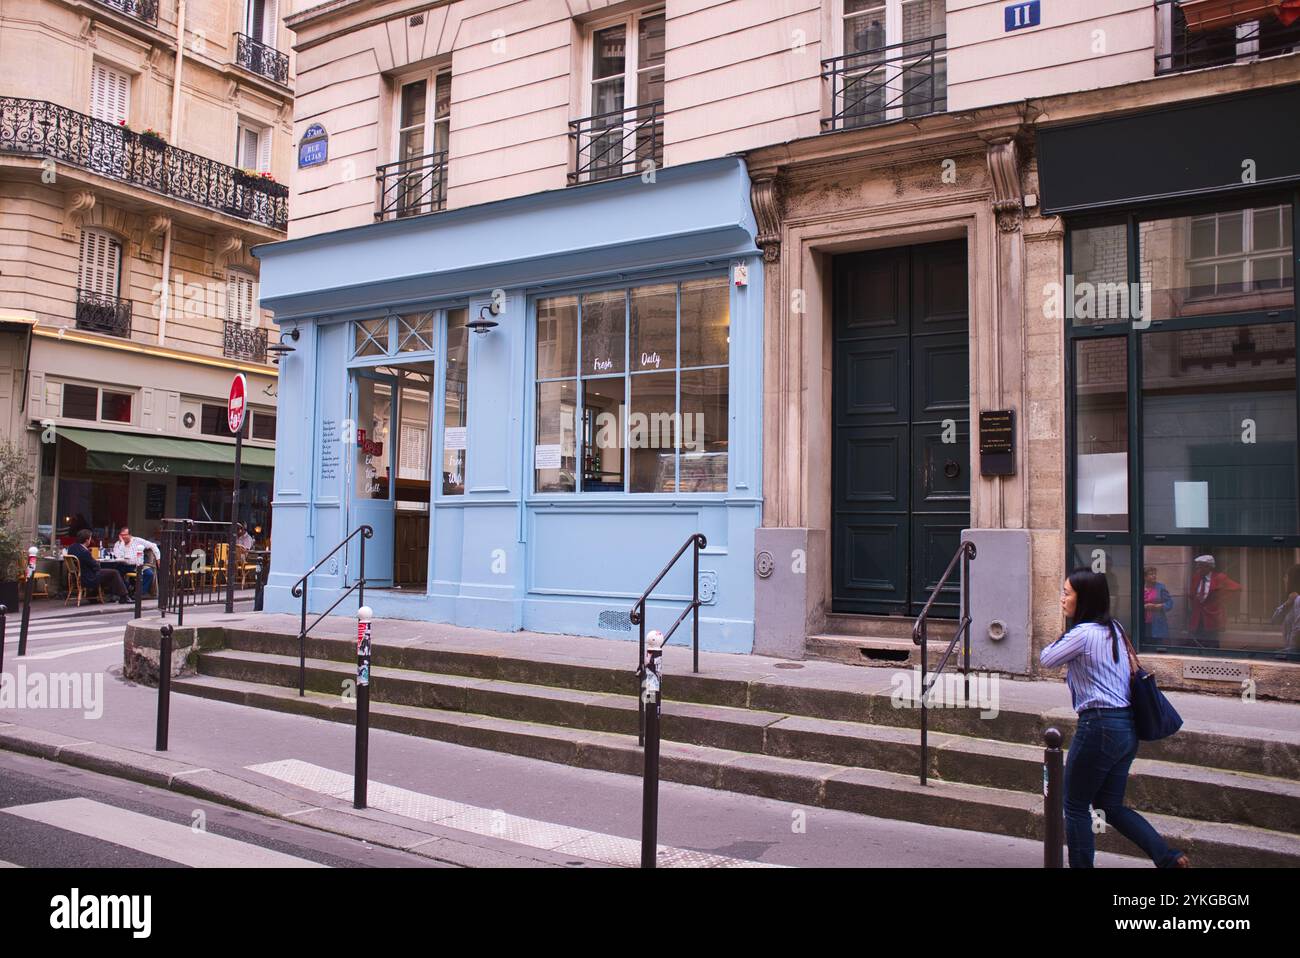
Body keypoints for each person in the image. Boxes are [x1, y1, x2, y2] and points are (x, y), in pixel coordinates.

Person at [1041, 568, 1189, 869]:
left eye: (1067, 593)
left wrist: (1067, 631)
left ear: (1084, 599)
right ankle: (1168, 857)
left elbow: (1046, 658)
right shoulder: (1115, 629)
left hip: (1098, 726)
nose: (1062, 599)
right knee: (1110, 805)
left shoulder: (1082, 634)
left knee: (1075, 804)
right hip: (1126, 729)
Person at [1186, 555, 1241, 650]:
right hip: (1197, 617)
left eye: (1200, 566)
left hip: (1212, 616)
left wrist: (1221, 601)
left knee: (1212, 642)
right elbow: (1191, 594)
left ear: (1208, 567)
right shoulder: (1196, 577)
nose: (1198, 568)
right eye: (1198, 566)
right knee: (1197, 642)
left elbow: (1236, 588)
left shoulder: (1219, 577)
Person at [68, 529, 130, 603]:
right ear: (87, 540)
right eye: (90, 538)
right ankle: (124, 596)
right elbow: (95, 566)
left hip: (76, 576)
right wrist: (97, 565)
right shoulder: (85, 552)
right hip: (88, 578)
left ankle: (92, 595)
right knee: (114, 572)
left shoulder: (72, 547)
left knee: (106, 573)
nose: (91, 540)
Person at [108, 526, 160, 597]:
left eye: (125, 535)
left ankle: (139, 593)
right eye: (121, 535)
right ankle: (126, 591)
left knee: (149, 574)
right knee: (115, 573)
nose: (123, 537)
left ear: (130, 535)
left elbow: (153, 546)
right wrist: (122, 543)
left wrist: (158, 559)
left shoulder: (137, 540)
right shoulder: (118, 544)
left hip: (137, 565)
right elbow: (118, 556)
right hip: (122, 565)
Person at [1271, 564, 1300, 654]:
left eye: (1286, 577)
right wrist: (1287, 604)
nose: (1284, 580)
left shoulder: (1298, 600)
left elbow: (1298, 630)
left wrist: (1290, 651)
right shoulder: (1291, 599)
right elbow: (1274, 620)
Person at [1142, 566, 1173, 643]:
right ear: (1145, 577)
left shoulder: (1160, 587)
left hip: (1157, 622)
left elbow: (1170, 603)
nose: (1154, 576)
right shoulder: (1139, 587)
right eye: (1151, 574)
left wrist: (1156, 606)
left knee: (1157, 644)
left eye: (1155, 574)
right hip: (1143, 623)